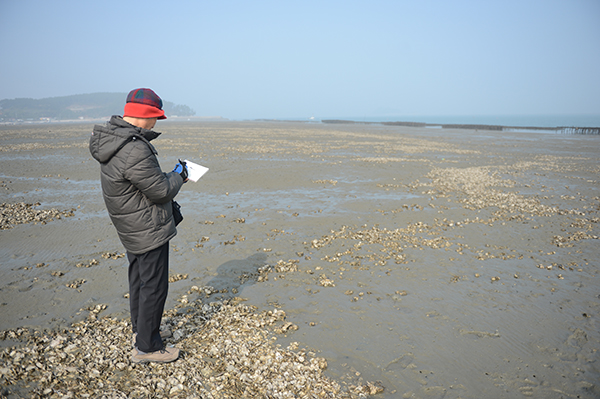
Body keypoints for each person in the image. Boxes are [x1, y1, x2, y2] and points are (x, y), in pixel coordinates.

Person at [89, 88, 188, 363]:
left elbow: (146, 183)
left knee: (140, 281)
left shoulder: (114, 140)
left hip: (131, 225)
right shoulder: (134, 148)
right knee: (154, 286)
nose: (157, 123)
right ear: (146, 116)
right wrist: (182, 176)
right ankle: (148, 347)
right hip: (147, 228)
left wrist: (170, 176)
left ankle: (142, 330)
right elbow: (160, 191)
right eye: (156, 117)